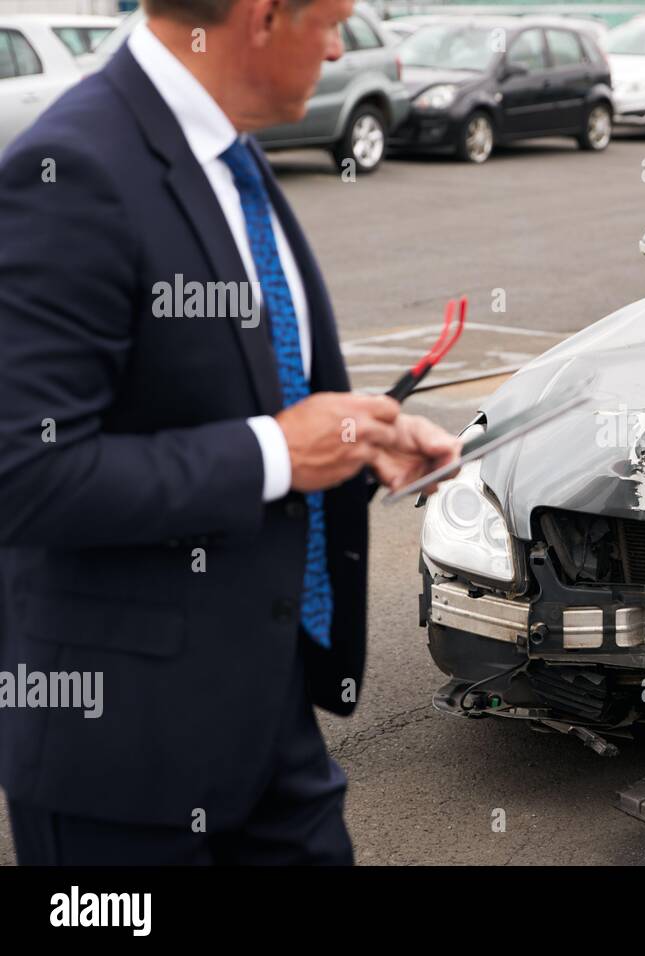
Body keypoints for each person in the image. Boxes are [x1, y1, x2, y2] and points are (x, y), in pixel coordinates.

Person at [0, 0, 458, 863]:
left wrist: (357, 440)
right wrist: (279, 454)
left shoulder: (227, 148)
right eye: (330, 21)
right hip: (122, 765)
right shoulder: (72, 167)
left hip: (267, 716)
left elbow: (229, 389)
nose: (338, 47)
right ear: (261, 15)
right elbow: (25, 473)